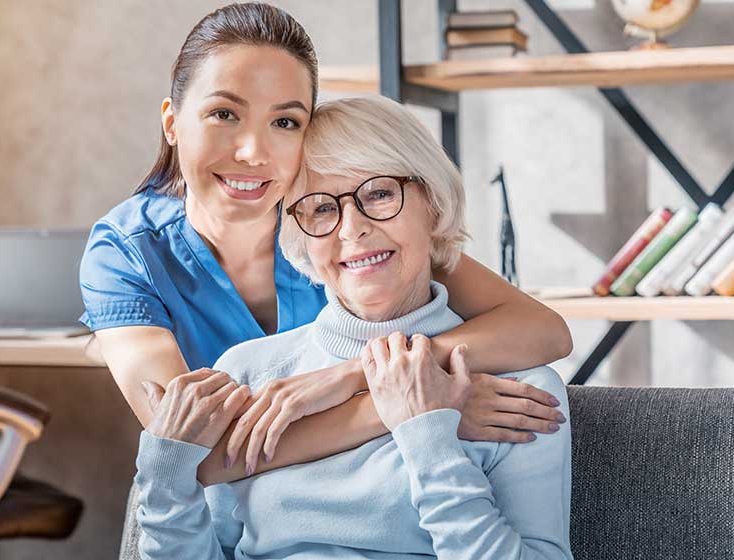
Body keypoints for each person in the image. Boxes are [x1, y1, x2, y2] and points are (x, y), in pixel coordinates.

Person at [79, 2, 572, 478]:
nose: (253, 152)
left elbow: (544, 330)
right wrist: (412, 405)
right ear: (172, 122)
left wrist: (354, 375)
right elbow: (198, 456)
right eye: (224, 114)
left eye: (285, 122)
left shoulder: (335, 229)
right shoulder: (127, 253)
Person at [135, 95, 573, 559]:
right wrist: (164, 479)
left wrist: (428, 439)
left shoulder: (520, 391)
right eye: (321, 208)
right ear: (298, 231)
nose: (351, 228)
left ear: (433, 204)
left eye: (380, 194)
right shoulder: (249, 372)